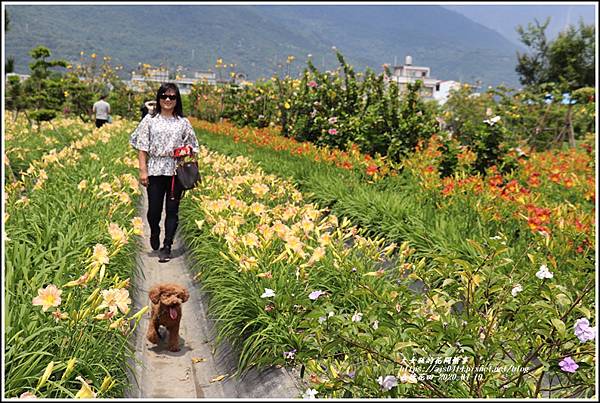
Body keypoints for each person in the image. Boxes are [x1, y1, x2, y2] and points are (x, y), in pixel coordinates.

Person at [129, 83, 200, 263]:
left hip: (176, 170)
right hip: (155, 168)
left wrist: (186, 151)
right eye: (164, 96)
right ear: (159, 98)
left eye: (172, 97)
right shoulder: (150, 120)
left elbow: (194, 146)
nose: (168, 100)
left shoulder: (183, 122)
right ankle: (154, 231)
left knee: (172, 210)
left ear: (177, 100)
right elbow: (142, 147)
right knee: (153, 210)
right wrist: (142, 170)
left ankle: (167, 245)